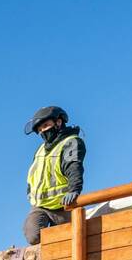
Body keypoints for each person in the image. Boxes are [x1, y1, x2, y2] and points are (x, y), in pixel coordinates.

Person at [23, 105, 86, 245]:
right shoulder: (40, 150)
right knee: (33, 236)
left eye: (45, 126)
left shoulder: (70, 142)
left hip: (64, 205)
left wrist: (74, 189)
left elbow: (73, 166)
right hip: (41, 206)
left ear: (58, 122)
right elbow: (34, 172)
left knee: (68, 241)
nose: (43, 131)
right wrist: (29, 190)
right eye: (39, 129)